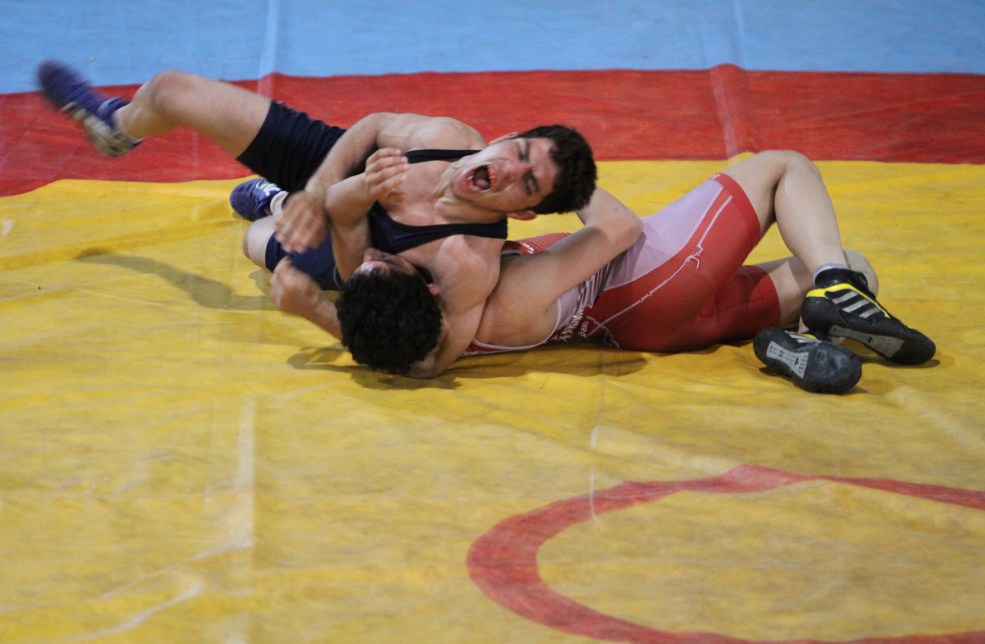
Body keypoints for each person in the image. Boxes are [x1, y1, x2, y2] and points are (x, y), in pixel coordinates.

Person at [36, 60, 597, 377]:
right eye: (518, 152)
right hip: (332, 166)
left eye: (526, 183)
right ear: (504, 137)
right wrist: (318, 190)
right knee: (169, 90)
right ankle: (117, 129)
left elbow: (424, 363)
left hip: (355, 257)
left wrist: (317, 313)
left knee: (257, 243)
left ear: (523, 211)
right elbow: (371, 125)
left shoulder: (467, 262)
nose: (507, 169)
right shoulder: (445, 138)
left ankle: (278, 205)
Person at [272, 149, 935, 392]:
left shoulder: (426, 342)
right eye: (387, 261)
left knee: (858, 264)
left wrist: (317, 311)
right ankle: (834, 288)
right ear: (426, 286)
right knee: (784, 168)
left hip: (654, 331)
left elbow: (406, 359)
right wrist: (551, 177)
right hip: (653, 277)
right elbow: (620, 230)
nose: (376, 253)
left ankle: (797, 342)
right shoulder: (494, 290)